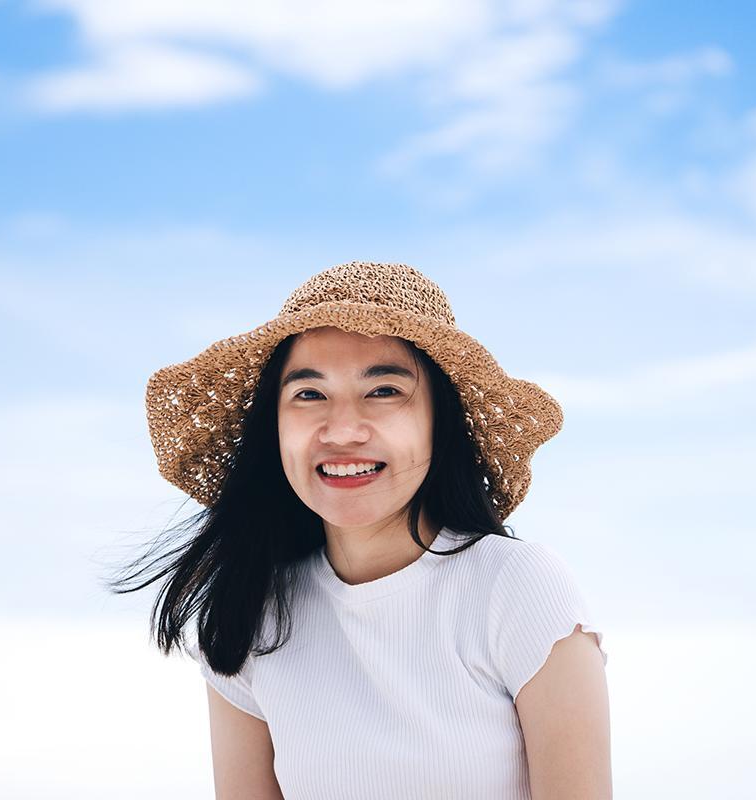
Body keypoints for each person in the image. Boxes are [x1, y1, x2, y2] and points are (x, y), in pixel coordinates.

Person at [113, 261, 611, 799]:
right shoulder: (250, 614)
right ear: (273, 427)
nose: (343, 431)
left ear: (441, 420)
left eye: (384, 391)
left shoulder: (516, 586)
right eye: (309, 394)